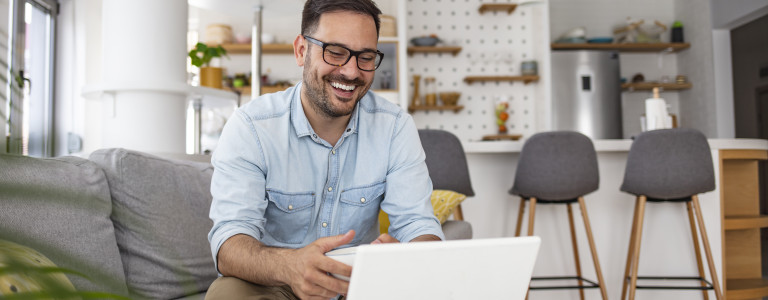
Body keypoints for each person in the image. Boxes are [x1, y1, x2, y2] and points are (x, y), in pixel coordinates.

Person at [205, 0, 444, 299]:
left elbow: (417, 224)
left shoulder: (395, 127)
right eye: (335, 52)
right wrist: (290, 266)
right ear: (301, 51)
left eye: (366, 57)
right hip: (277, 283)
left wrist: (409, 256)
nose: (351, 72)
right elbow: (230, 243)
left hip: (359, 284)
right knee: (226, 293)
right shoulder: (251, 127)